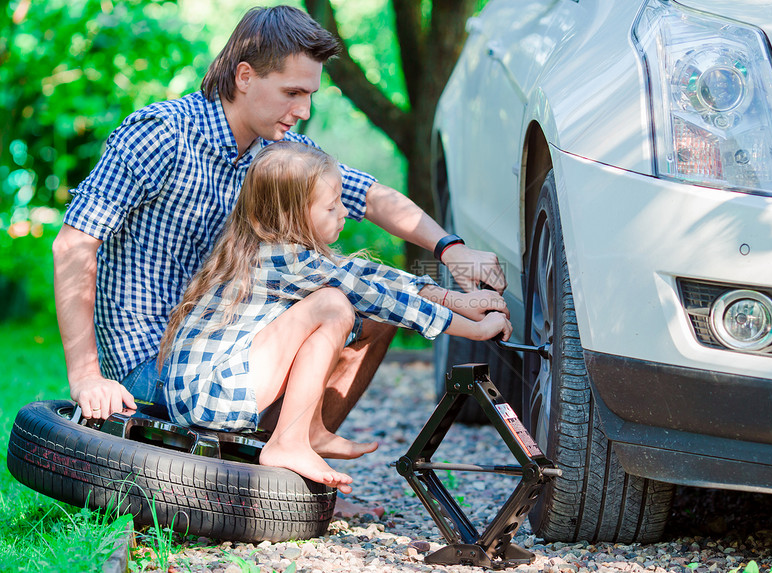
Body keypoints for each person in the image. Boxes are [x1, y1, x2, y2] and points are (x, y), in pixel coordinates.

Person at [52, 5, 508, 427]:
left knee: (378, 312)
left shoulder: (283, 154)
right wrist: (88, 377)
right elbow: (74, 244)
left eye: (310, 94)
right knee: (338, 299)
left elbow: (369, 196)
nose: (303, 110)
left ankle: (296, 470)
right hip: (150, 367)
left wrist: (452, 251)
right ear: (244, 76)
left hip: (229, 347)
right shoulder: (161, 135)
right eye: (292, 92)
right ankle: (283, 460)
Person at [156, 141, 511, 493]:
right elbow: (380, 300)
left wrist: (458, 301)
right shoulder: (284, 260)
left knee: (339, 296)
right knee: (332, 305)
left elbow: (372, 276)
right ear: (291, 216)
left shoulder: (280, 251)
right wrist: (476, 331)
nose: (344, 211)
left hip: (207, 391)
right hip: (210, 396)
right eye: (332, 206)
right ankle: (288, 441)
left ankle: (309, 430)